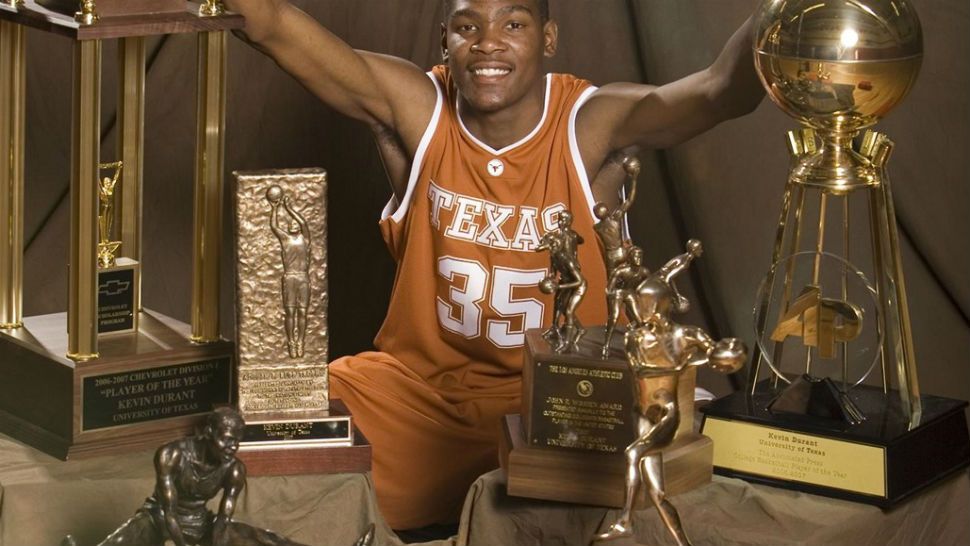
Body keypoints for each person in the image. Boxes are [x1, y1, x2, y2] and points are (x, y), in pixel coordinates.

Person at [223, 0, 763, 530]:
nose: (488, 42)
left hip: (561, 403)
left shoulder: (590, 122)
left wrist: (782, 11)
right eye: (468, 25)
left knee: (679, 473)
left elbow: (719, 90)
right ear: (445, 39)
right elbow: (271, 24)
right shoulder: (419, 107)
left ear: (547, 38)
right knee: (264, 438)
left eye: (513, 23)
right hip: (420, 397)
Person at [88, 408, 374, 546]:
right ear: (209, 434)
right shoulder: (171, 455)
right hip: (159, 517)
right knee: (123, 538)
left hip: (202, 522)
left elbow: (223, 518)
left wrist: (217, 539)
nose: (232, 447)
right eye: (226, 440)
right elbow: (169, 511)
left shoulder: (235, 469)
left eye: (237, 441)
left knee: (261, 538)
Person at [268, 191, 312, 358]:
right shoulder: (285, 239)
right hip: (289, 277)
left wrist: (289, 208)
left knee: (302, 312)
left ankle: (300, 341)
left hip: (303, 277)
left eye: (295, 223)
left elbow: (303, 222)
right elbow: (274, 226)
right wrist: (274, 209)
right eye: (290, 223)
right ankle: (290, 343)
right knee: (290, 312)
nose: (293, 224)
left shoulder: (305, 239)